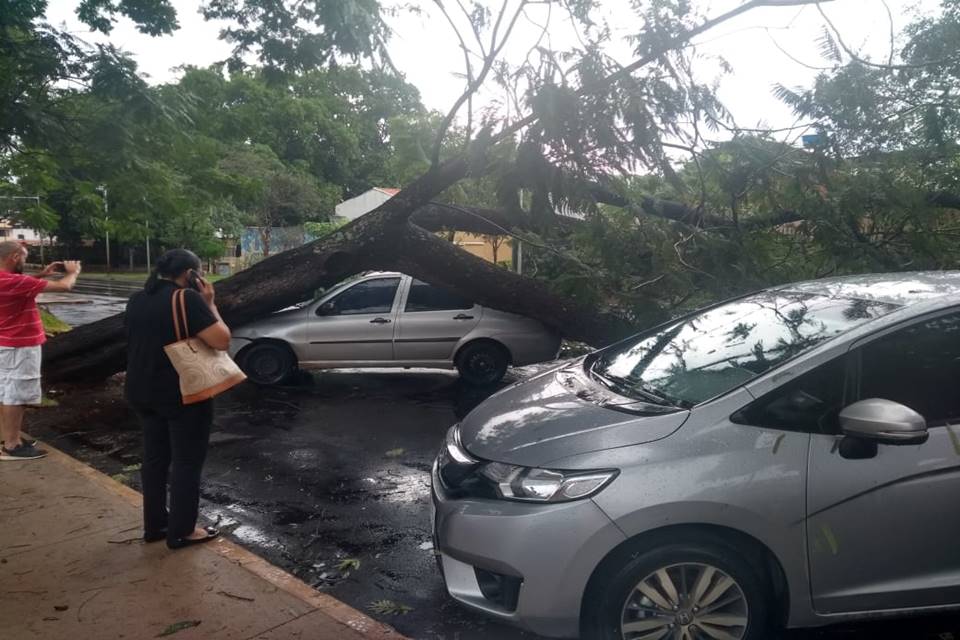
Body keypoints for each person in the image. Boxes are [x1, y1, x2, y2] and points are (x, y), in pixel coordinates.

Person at [124, 249, 231, 549]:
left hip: (141, 389)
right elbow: (222, 340)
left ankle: (156, 525)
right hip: (182, 391)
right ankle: (183, 531)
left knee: (155, 459)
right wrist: (210, 303)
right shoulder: (187, 299)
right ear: (191, 275)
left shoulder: (137, 299)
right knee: (186, 462)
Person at [0, 241, 81, 461]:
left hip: (7, 345)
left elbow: (21, 284)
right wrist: (73, 272)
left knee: (9, 391)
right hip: (19, 346)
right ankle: (12, 445)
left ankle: (10, 436)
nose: (25, 262)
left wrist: (42, 274)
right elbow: (65, 286)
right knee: (15, 395)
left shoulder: (8, 281)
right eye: (25, 257)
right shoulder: (10, 281)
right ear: (14, 257)